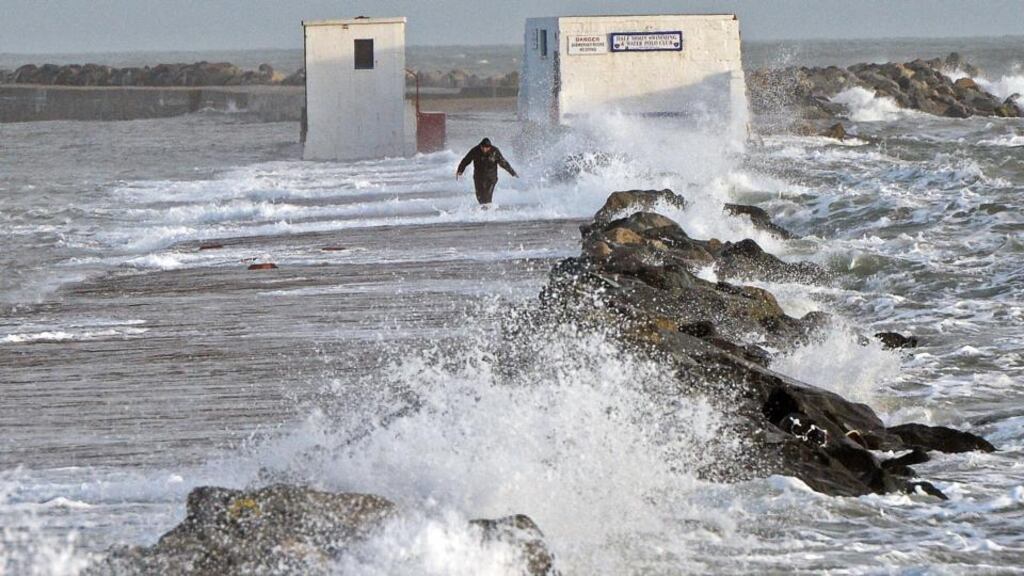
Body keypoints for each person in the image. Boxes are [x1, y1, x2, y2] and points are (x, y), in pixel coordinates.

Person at [456, 138, 517, 205]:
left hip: (491, 178)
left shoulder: (495, 151)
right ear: (480, 146)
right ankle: (483, 212)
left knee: (487, 197)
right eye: (483, 148)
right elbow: (466, 160)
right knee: (479, 197)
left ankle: (489, 212)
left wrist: (512, 172)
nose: (485, 150)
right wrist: (460, 170)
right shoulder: (475, 150)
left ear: (490, 147)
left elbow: (503, 163)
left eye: (487, 148)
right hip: (478, 177)